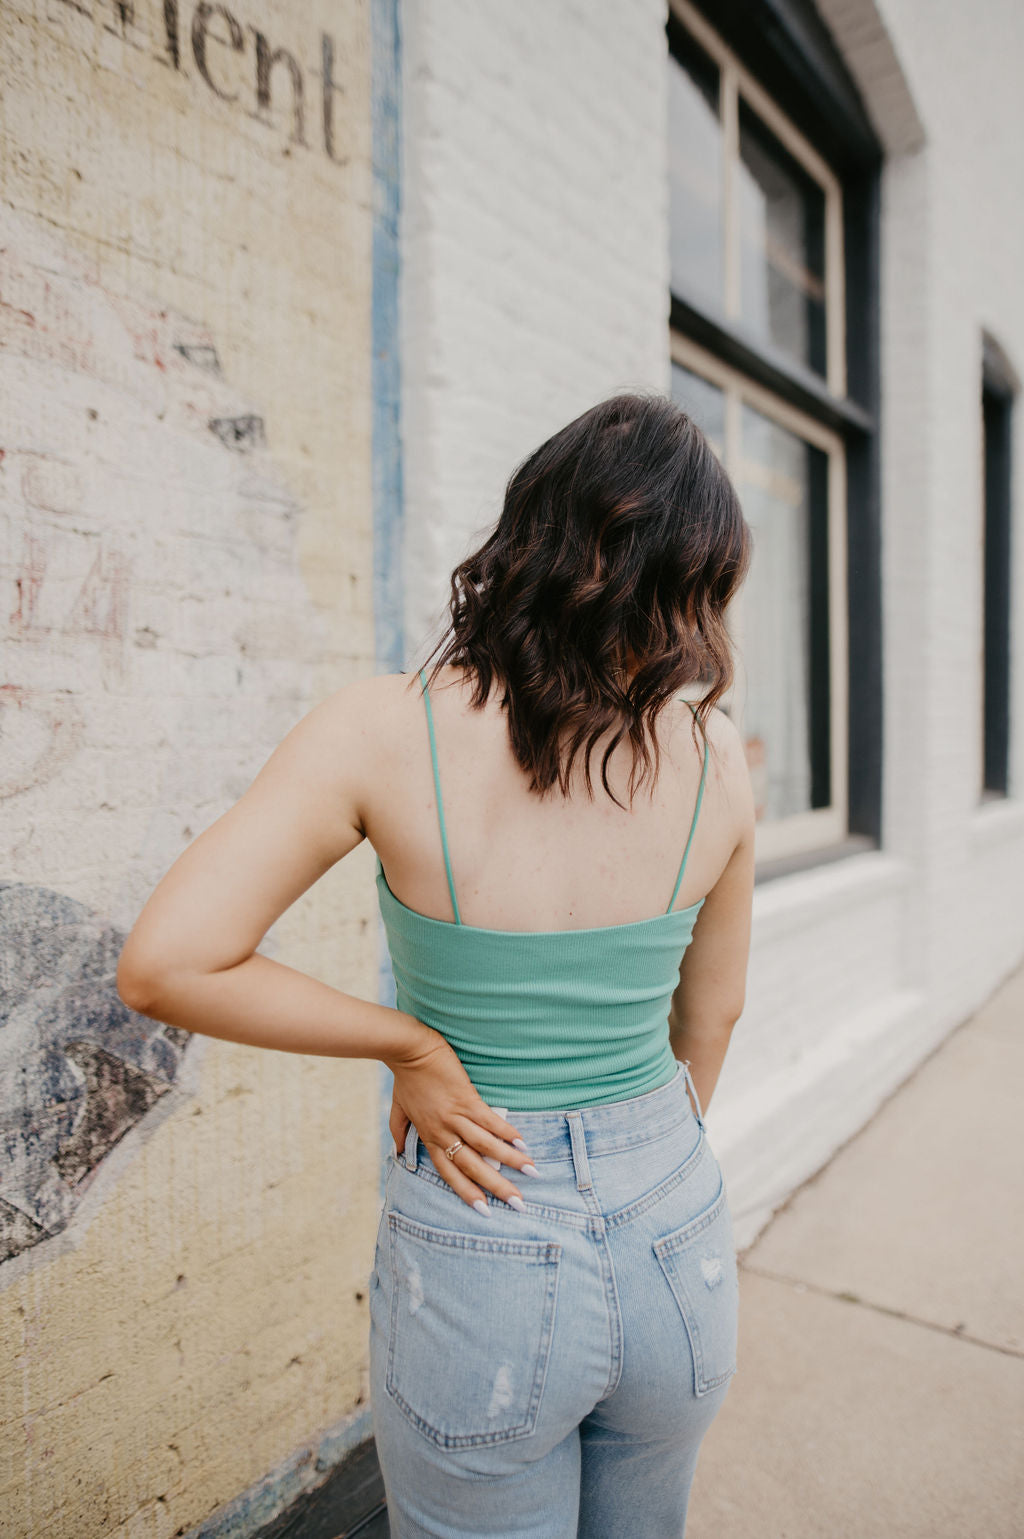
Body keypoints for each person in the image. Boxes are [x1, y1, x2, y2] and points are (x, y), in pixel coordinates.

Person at [117, 389, 755, 1537]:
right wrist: (634, 1162)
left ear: (530, 538)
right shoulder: (718, 755)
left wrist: (409, 1043)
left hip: (484, 1215)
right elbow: (714, 1017)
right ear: (695, 585)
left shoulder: (382, 727)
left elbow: (166, 965)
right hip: (677, 1225)